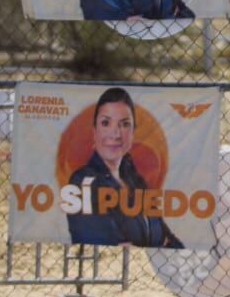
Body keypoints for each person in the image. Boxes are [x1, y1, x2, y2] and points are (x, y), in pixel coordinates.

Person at [65, 87, 183, 248]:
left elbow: (168, 239)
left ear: (133, 132)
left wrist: (154, 245)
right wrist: (157, 247)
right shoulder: (83, 181)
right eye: (106, 123)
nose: (116, 134)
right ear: (94, 131)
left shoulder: (135, 179)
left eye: (125, 124)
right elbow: (106, 247)